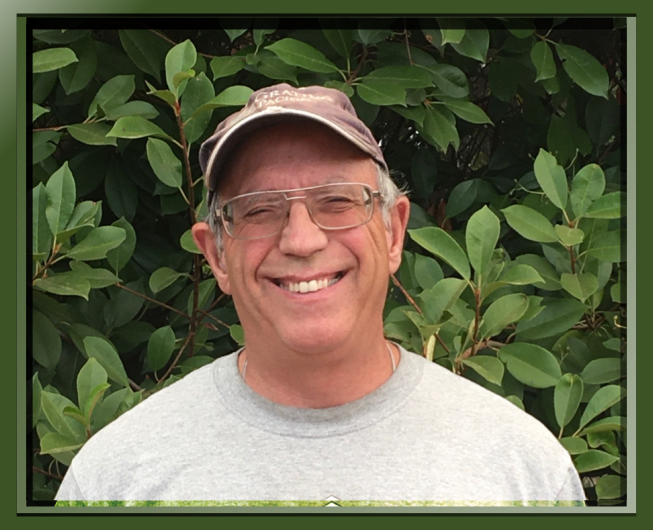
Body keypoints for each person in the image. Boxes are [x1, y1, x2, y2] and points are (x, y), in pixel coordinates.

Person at [55, 83, 585, 506]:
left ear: (394, 232)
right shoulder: (115, 479)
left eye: (337, 200)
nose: (302, 239)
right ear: (216, 254)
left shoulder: (525, 470)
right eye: (261, 209)